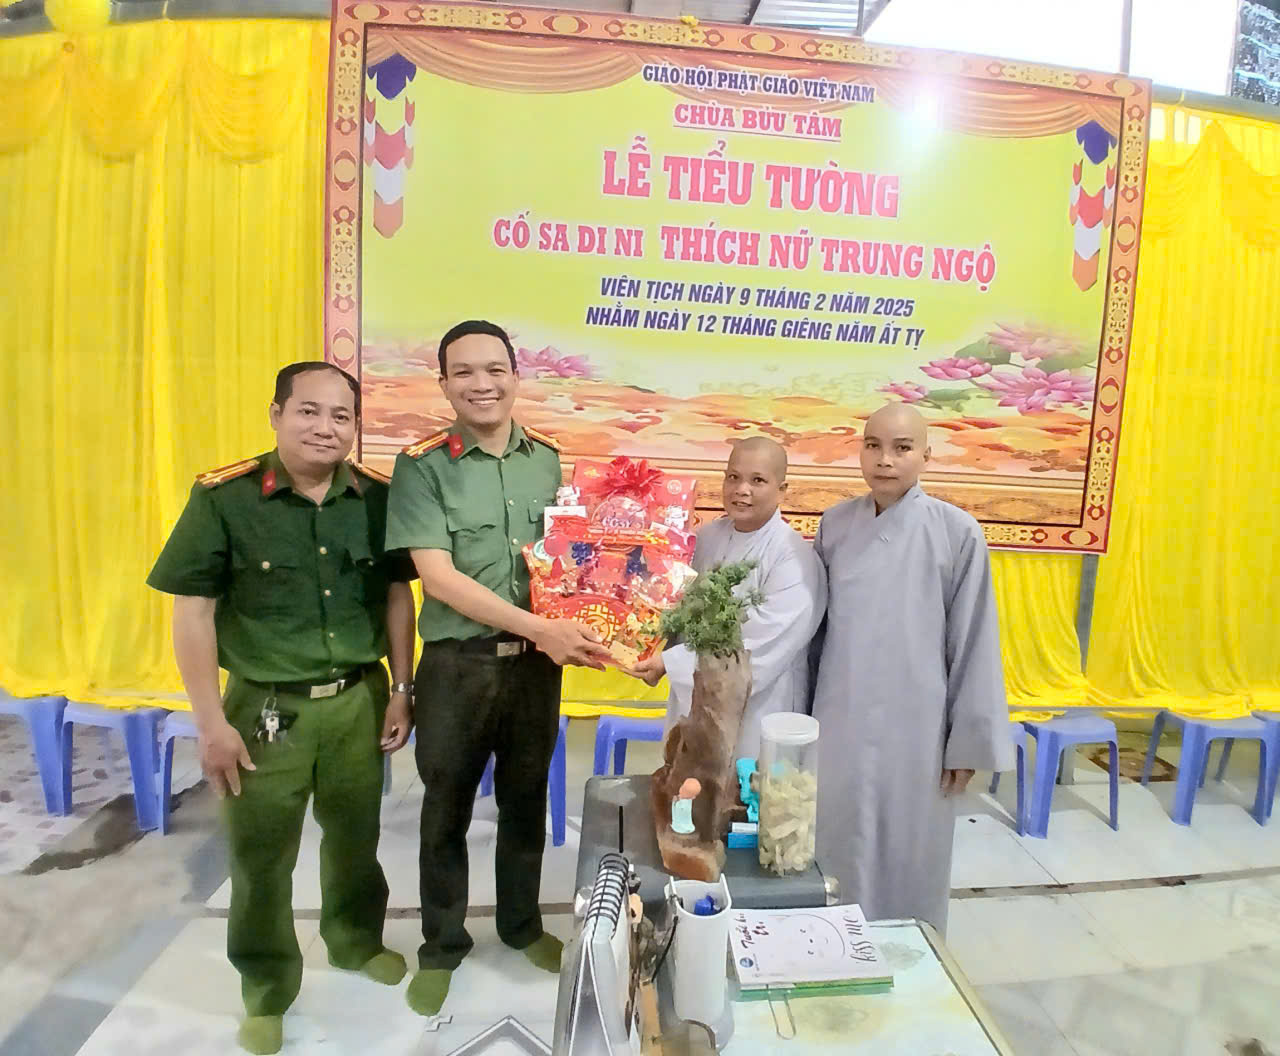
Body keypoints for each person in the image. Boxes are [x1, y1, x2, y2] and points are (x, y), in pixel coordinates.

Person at [147, 362, 416, 1055]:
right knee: (261, 856)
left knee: (356, 838)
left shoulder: (377, 498)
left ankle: (354, 940)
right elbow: (193, 613)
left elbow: (396, 595)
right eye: (308, 411)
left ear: (356, 426)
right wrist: (210, 723)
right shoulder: (225, 499)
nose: (326, 427)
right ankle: (266, 986)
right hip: (264, 710)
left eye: (341, 416)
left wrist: (401, 688)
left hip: (357, 700)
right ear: (276, 414)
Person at [384, 319, 611, 1018]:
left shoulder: (549, 462)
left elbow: (572, 564)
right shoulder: (421, 467)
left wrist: (614, 625)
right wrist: (542, 628)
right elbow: (438, 578)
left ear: (516, 376)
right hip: (458, 667)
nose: (481, 384)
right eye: (464, 372)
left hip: (535, 671)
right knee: (445, 810)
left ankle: (520, 926)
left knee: (524, 802)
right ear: (444, 384)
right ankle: (441, 946)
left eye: (494, 369)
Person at [810, 402, 1013, 934]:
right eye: (873, 446)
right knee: (834, 837)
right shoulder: (835, 525)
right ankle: (832, 945)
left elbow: (973, 639)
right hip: (839, 714)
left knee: (911, 843)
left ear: (927, 455)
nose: (885, 460)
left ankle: (912, 950)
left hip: (918, 725)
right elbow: (813, 634)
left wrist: (966, 742)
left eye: (902, 448)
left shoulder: (957, 532)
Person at [629, 436, 826, 759]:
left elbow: (762, 642)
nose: (741, 490)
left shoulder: (793, 556)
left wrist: (671, 663)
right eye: (733, 477)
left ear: (782, 490)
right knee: (686, 781)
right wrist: (641, 640)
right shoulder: (705, 538)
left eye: (757, 480)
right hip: (694, 700)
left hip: (759, 707)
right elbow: (675, 607)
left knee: (745, 785)